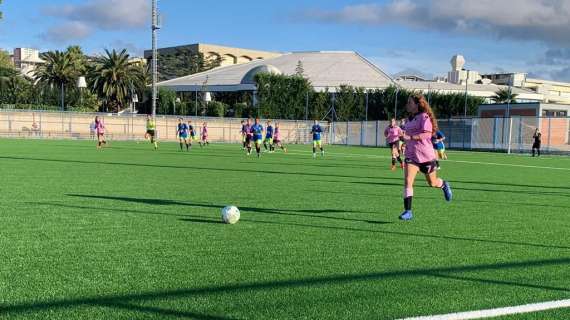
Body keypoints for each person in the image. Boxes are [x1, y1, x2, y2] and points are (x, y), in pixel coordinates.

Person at [399, 94, 452, 221]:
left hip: (426, 156)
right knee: (408, 182)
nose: (407, 104)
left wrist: (410, 137)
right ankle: (408, 211)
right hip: (411, 155)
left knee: (432, 183)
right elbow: (406, 135)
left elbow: (427, 135)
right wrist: (402, 136)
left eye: (410, 102)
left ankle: (444, 184)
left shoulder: (424, 117)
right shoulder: (408, 120)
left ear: (417, 104)